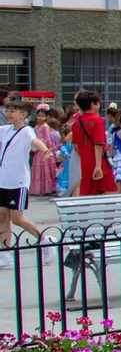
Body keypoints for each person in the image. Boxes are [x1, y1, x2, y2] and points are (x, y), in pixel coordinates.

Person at [0, 98, 48, 261]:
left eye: (12, 111)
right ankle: (5, 253)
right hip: (2, 181)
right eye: (7, 111)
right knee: (2, 217)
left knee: (17, 219)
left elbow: (35, 141)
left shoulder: (27, 131)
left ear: (23, 114)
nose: (8, 114)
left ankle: (45, 242)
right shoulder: (6, 130)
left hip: (18, 182)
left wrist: (46, 151)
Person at [71, 90, 115, 197]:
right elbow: (98, 144)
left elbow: (75, 145)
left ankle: (85, 214)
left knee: (86, 192)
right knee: (110, 192)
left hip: (85, 163)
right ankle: (108, 214)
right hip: (99, 163)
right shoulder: (97, 120)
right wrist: (98, 166)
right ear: (93, 104)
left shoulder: (76, 123)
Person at [29, 108, 60, 198]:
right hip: (37, 150)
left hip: (43, 150)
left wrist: (40, 145)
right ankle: (39, 189)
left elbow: (47, 139)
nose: (40, 118)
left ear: (46, 117)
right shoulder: (35, 127)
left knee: (44, 169)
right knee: (38, 169)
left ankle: (47, 188)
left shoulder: (45, 127)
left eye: (42, 116)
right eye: (39, 116)